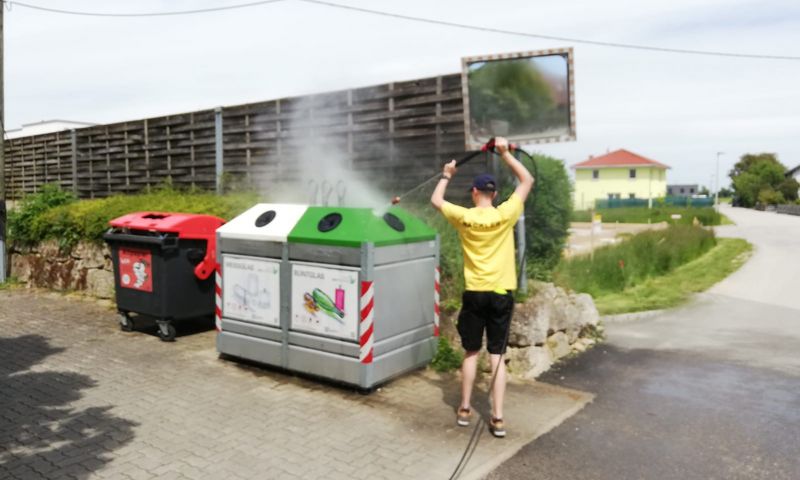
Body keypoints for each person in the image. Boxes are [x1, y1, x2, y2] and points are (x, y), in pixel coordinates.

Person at [430, 137, 534, 438]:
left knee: (471, 352)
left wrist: (447, 175)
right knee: (496, 356)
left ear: (474, 193)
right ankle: (497, 418)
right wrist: (505, 154)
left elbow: (436, 201)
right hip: (501, 294)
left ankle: (464, 409)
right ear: (495, 194)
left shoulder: (464, 217)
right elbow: (527, 180)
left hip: (475, 293)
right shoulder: (505, 214)